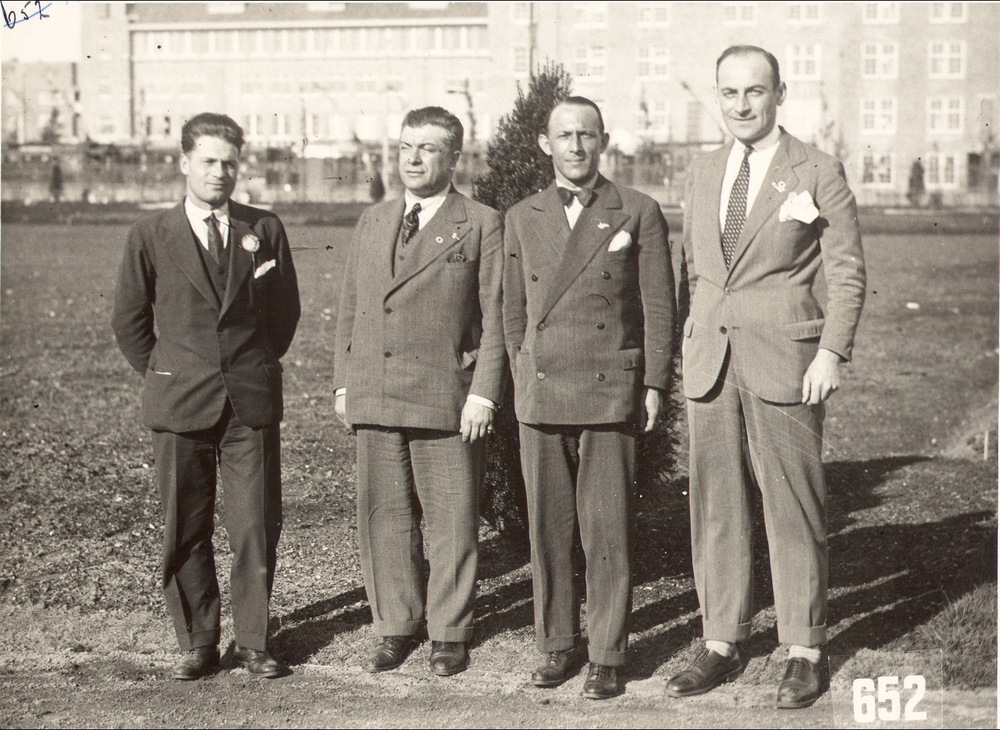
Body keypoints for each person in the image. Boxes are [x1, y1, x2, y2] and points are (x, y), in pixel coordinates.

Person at [666, 45, 866, 708]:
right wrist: (688, 345)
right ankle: (720, 640)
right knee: (716, 506)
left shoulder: (817, 169)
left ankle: (804, 648)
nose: (742, 104)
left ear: (779, 94)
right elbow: (693, 271)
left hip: (786, 362)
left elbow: (846, 271)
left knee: (793, 506)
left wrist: (830, 353)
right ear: (716, 97)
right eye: (729, 92)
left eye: (755, 91)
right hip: (711, 363)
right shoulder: (701, 171)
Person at [111, 112, 300, 681]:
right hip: (180, 402)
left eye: (230, 163)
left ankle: (253, 642)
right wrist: (167, 372)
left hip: (249, 403)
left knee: (255, 525)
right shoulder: (149, 235)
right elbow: (129, 321)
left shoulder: (263, 228)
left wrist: (250, 364)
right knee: (186, 526)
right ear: (184, 163)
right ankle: (198, 640)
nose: (220, 172)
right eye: (209, 161)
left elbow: (284, 313)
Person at [502, 97, 675, 699]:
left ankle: (606, 652)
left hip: (608, 389)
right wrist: (524, 371)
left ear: (602, 141)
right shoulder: (521, 215)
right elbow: (513, 311)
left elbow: (658, 306)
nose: (575, 146)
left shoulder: (638, 209)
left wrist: (654, 383)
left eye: (586, 134)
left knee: (607, 531)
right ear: (545, 144)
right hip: (544, 388)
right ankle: (556, 643)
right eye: (564, 135)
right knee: (548, 529)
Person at [333, 106, 505, 677]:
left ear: (453, 158)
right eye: (406, 146)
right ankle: (395, 625)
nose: (412, 158)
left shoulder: (480, 222)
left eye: (427, 148)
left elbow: (496, 317)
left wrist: (482, 394)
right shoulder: (374, 220)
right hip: (375, 389)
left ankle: (449, 631)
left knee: (452, 517)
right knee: (385, 515)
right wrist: (343, 381)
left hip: (444, 396)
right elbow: (351, 308)